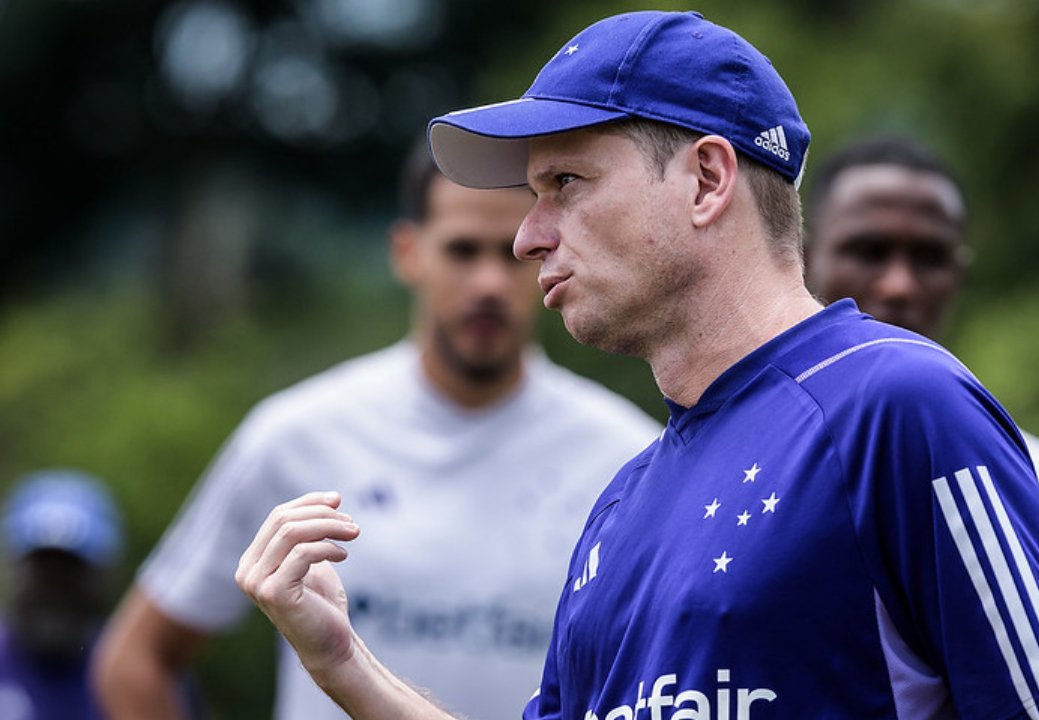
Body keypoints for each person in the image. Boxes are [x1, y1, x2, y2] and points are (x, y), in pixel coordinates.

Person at [236, 11, 1039, 719]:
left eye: (566, 184)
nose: (527, 237)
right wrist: (345, 666)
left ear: (706, 180)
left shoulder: (900, 404)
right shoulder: (620, 502)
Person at [91, 144, 662, 720]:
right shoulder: (296, 435)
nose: (489, 282)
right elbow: (135, 662)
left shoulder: (629, 460)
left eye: (511, 252)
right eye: (462, 250)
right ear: (408, 252)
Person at [802, 135, 1039, 715]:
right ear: (803, 259)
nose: (900, 284)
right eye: (868, 251)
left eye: (929, 257)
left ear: (960, 273)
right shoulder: (727, 474)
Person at [0, 469, 123, 720]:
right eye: (42, 572)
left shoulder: (140, 674)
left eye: (70, 573)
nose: (54, 591)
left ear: (104, 577)